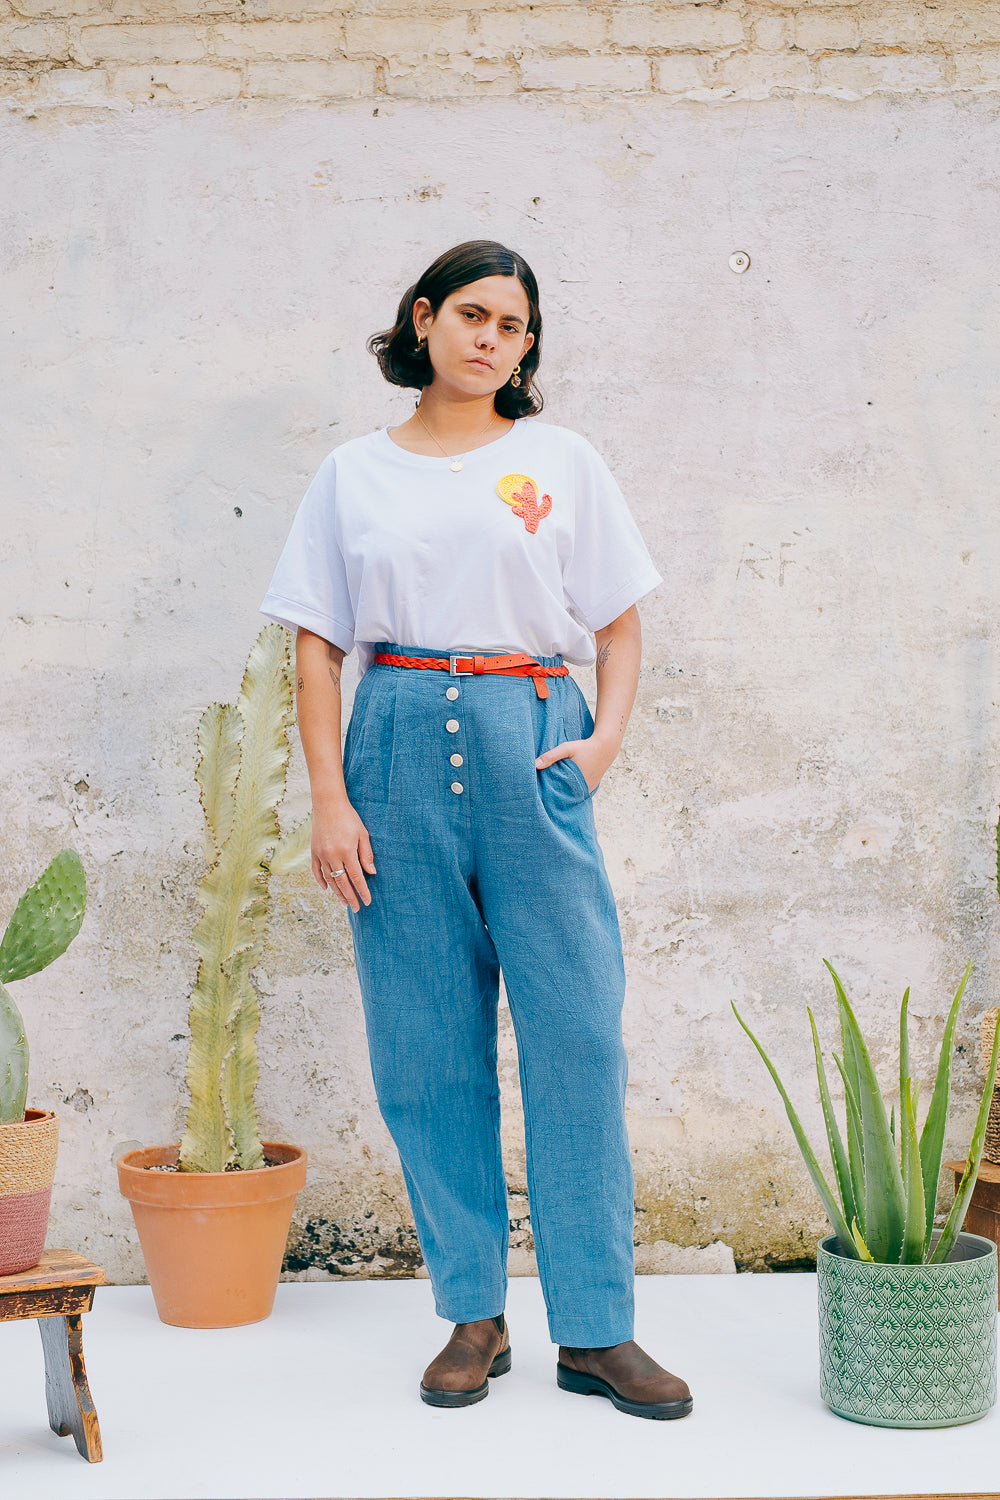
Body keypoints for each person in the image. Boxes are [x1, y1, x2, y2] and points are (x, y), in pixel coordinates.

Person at [260, 240, 692, 1421]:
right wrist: (330, 798)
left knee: (576, 1037)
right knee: (424, 1047)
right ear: (424, 320)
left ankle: (597, 1331)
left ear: (526, 345)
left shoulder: (562, 462)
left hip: (532, 734)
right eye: (472, 314)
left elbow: (618, 623)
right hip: (393, 737)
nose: (492, 337)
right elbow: (314, 645)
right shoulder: (354, 474)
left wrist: (598, 743)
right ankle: (473, 1315)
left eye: (513, 323)